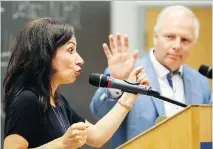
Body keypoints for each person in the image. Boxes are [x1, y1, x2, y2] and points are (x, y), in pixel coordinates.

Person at [3, 18, 150, 149]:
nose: (80, 59)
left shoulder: (58, 102)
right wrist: (60, 144)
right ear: (46, 54)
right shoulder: (27, 100)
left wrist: (129, 95)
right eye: (70, 50)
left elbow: (97, 137)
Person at [90, 5, 212, 149]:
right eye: (170, 37)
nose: (177, 45)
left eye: (185, 40)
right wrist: (119, 82)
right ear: (155, 37)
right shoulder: (129, 72)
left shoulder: (201, 82)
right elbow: (98, 112)